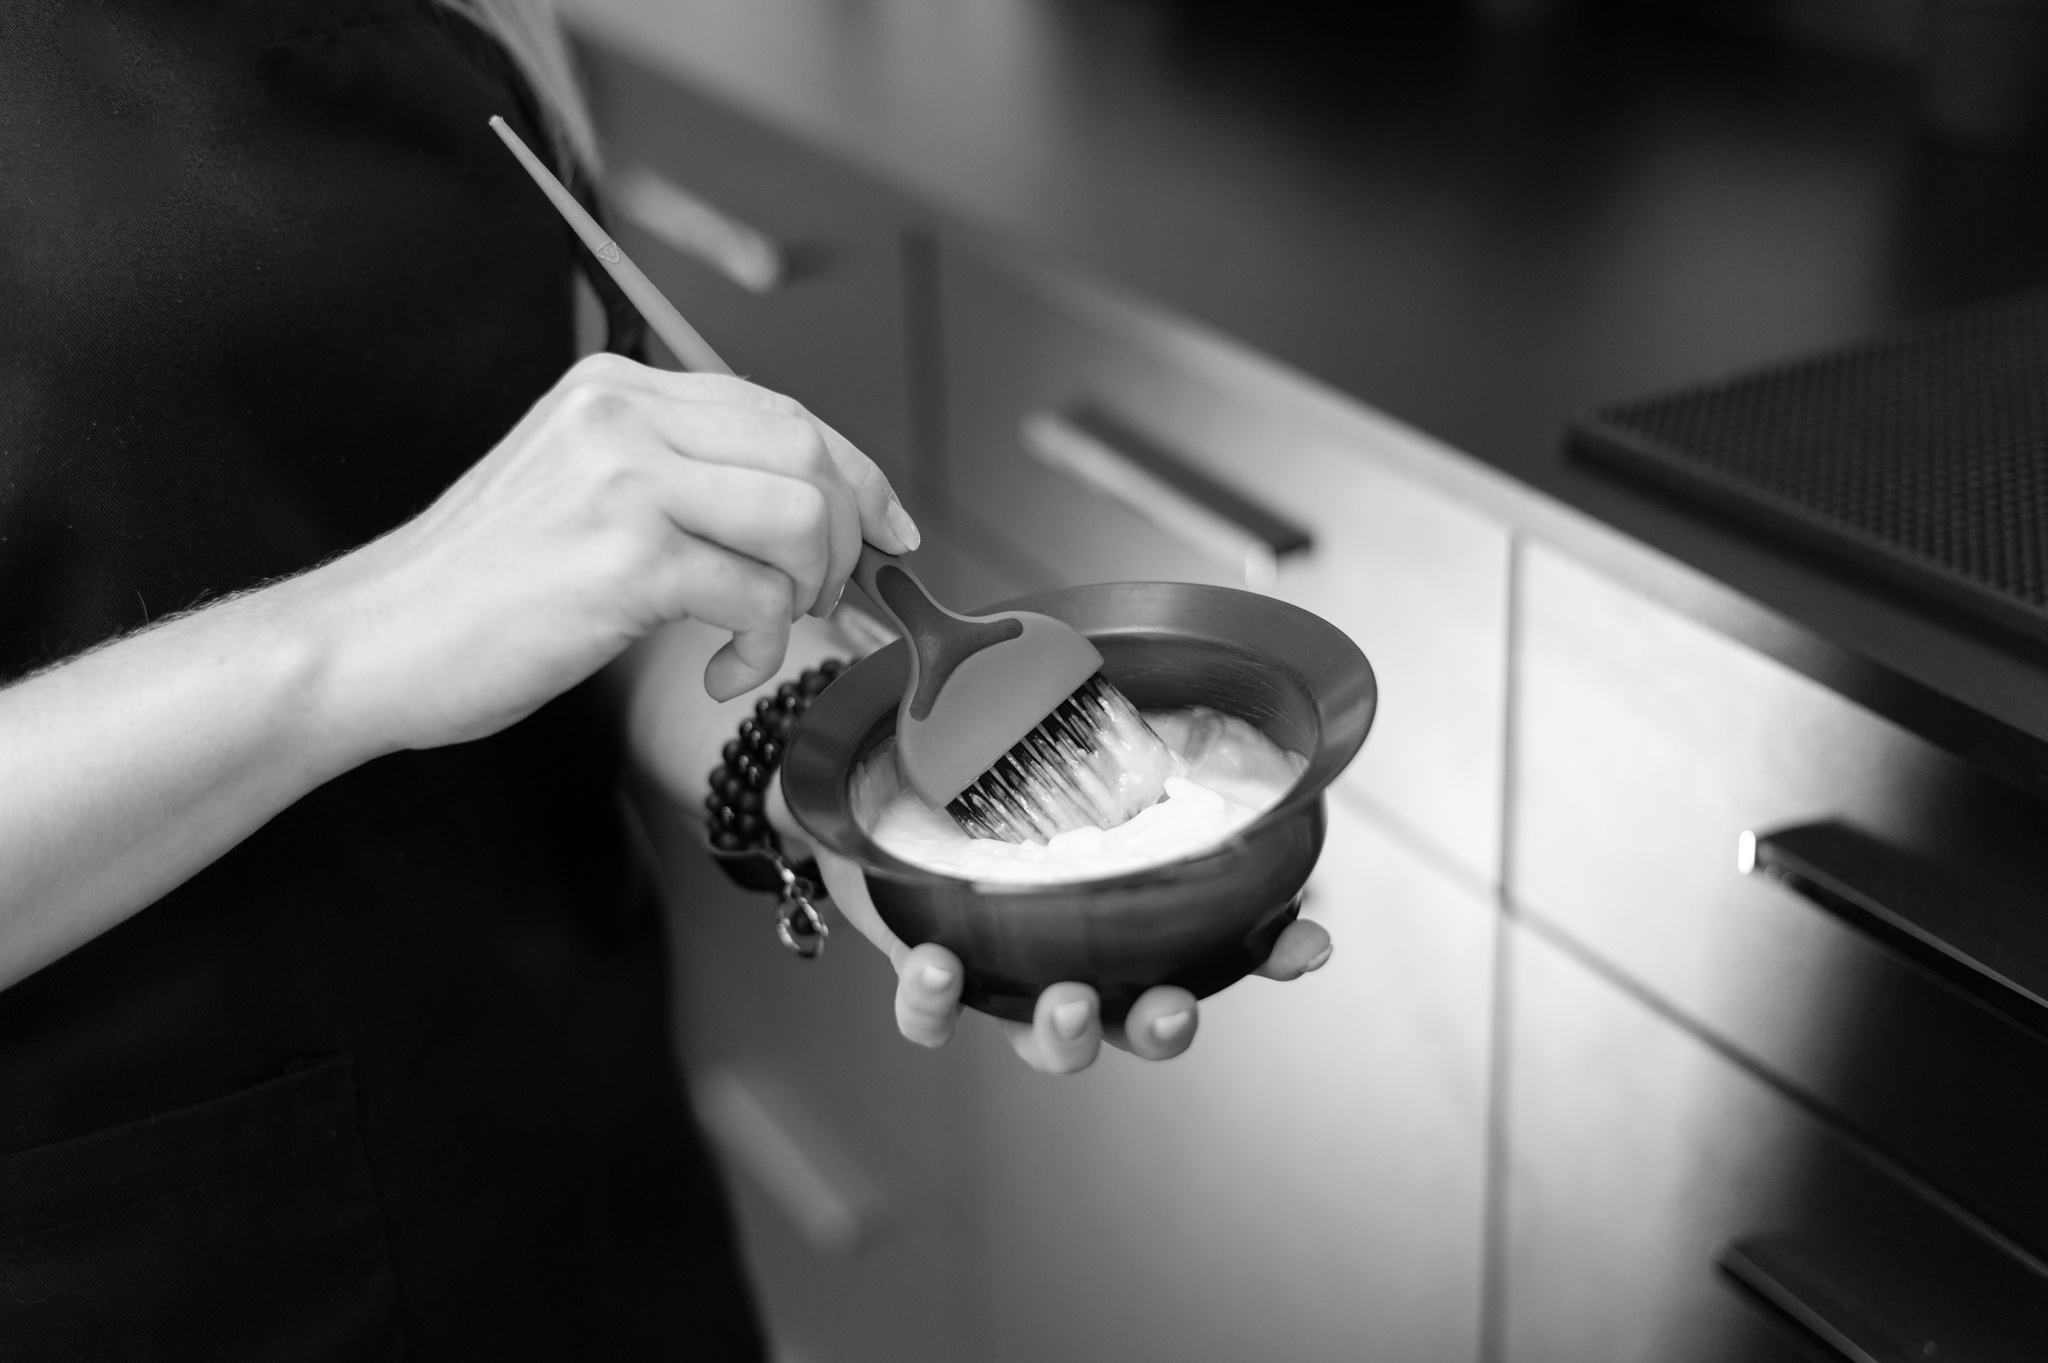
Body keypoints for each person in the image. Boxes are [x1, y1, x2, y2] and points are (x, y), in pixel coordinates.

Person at [0, 0, 1333, 1356]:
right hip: (151, 1264)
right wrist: (357, 638)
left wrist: (840, 783)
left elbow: (572, 583)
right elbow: (448, 594)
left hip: (581, 1170)